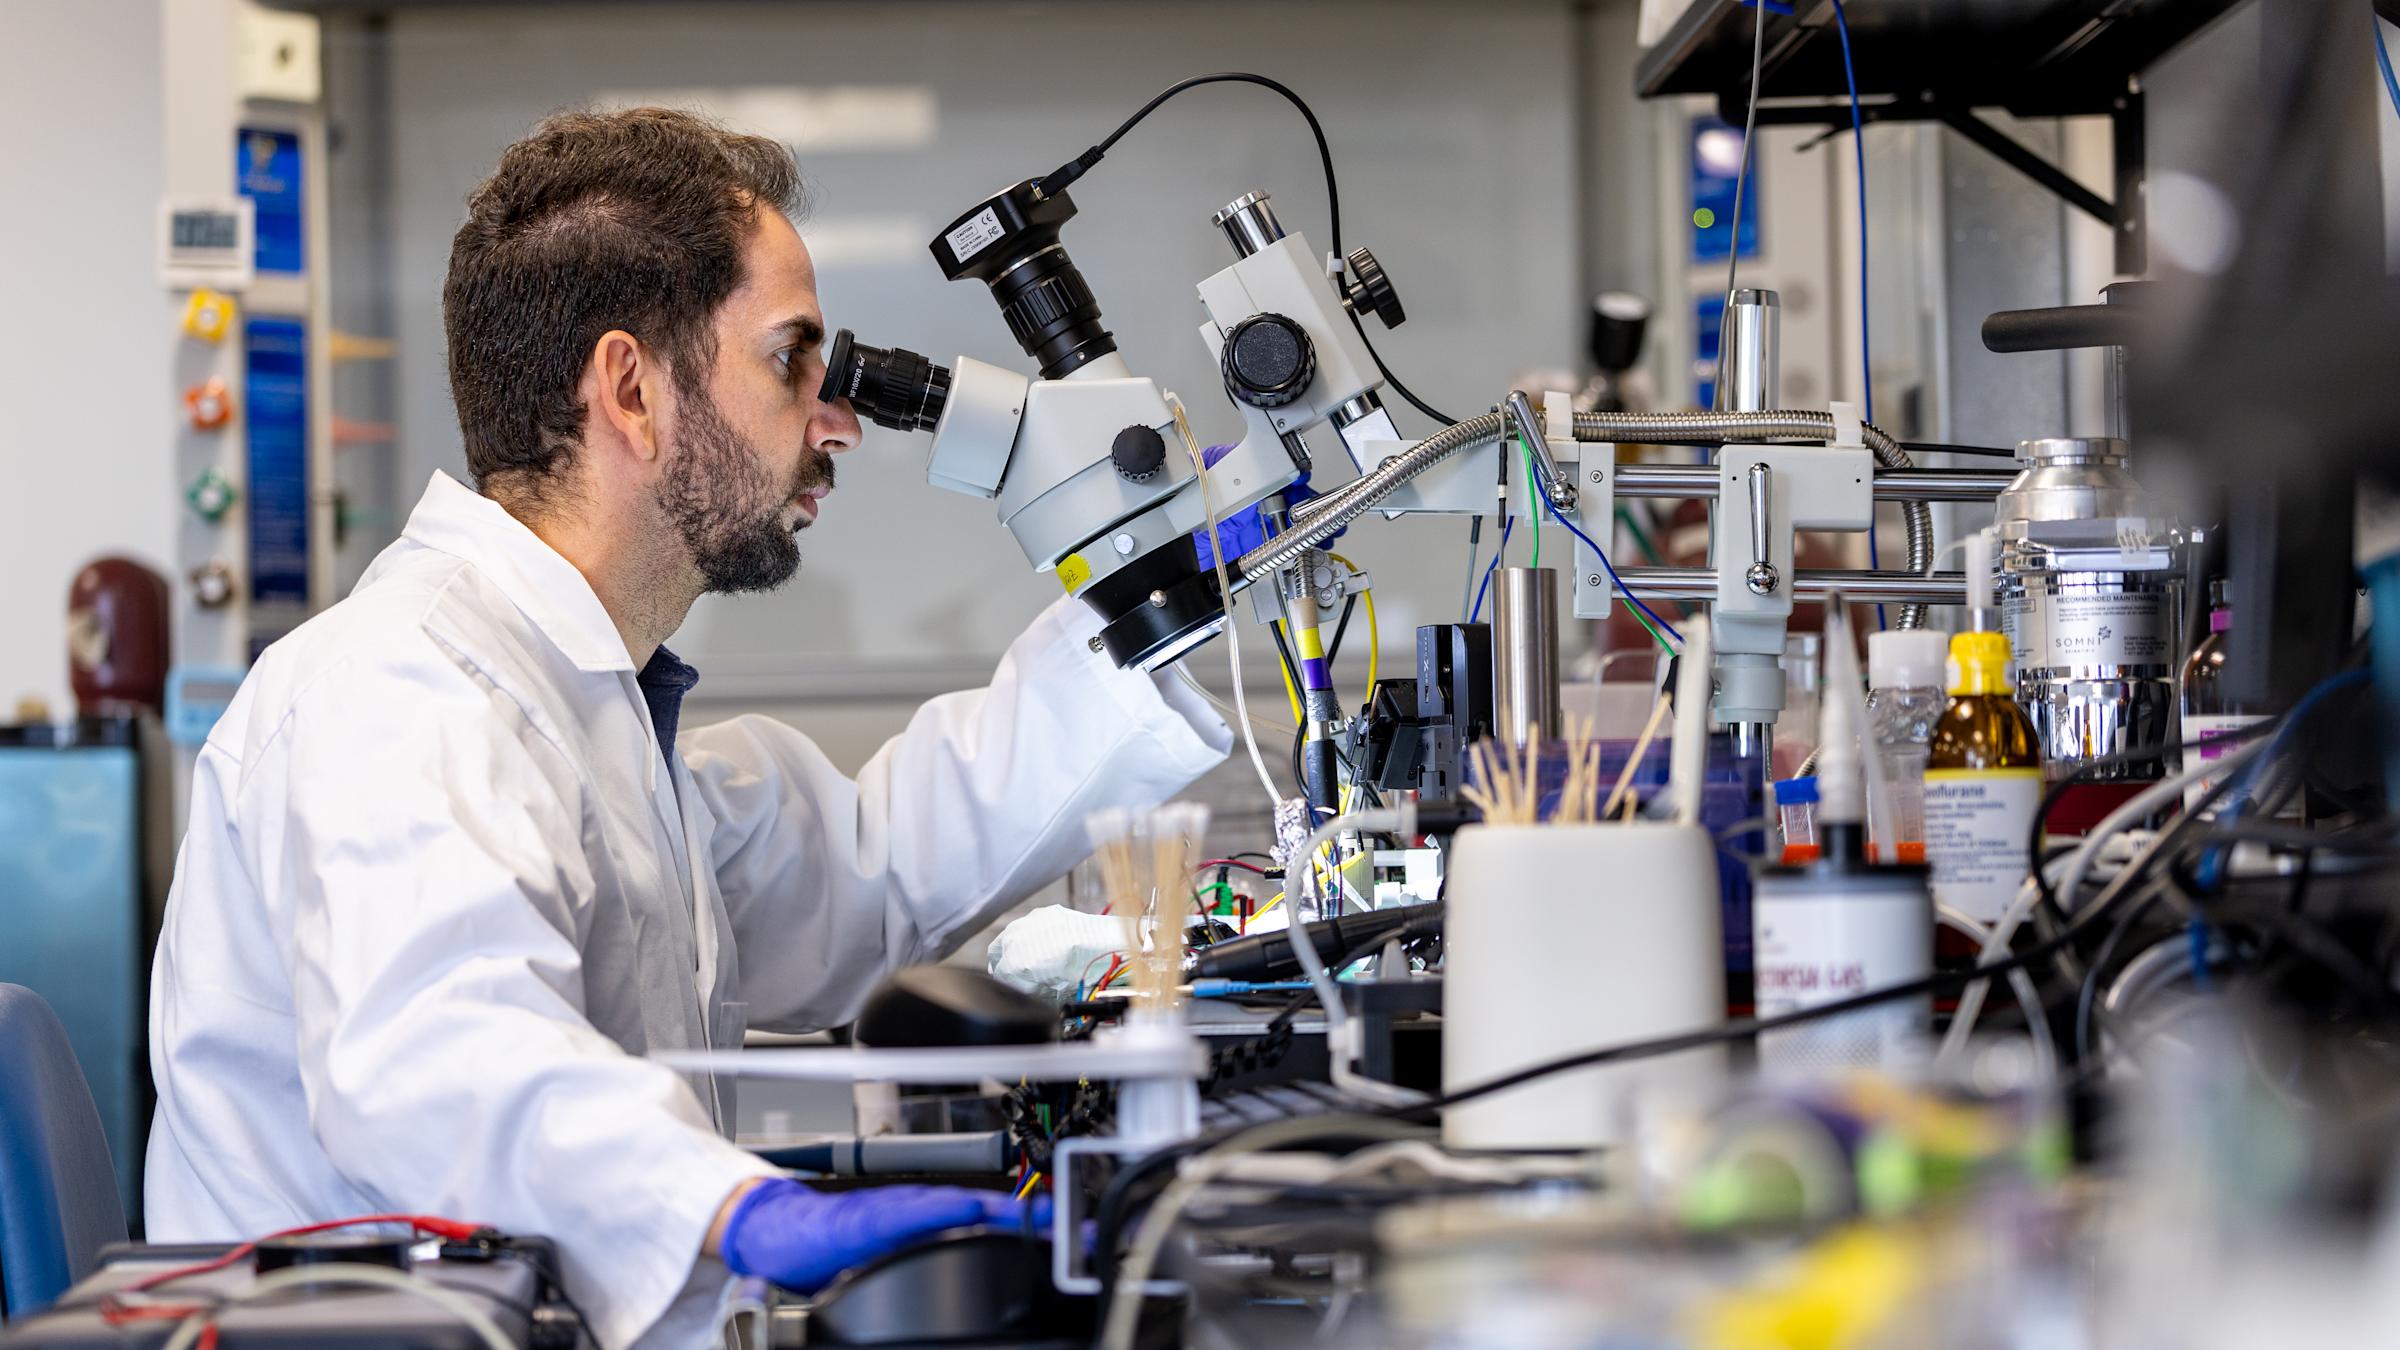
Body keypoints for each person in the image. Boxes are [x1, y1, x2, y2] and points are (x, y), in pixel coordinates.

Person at [144, 107, 1231, 1348]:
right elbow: (441, 1062)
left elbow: (868, 868)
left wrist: (1154, 601)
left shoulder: (579, 703)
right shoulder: (398, 695)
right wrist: (738, 1205)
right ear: (631, 390)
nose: (837, 426)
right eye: (790, 363)